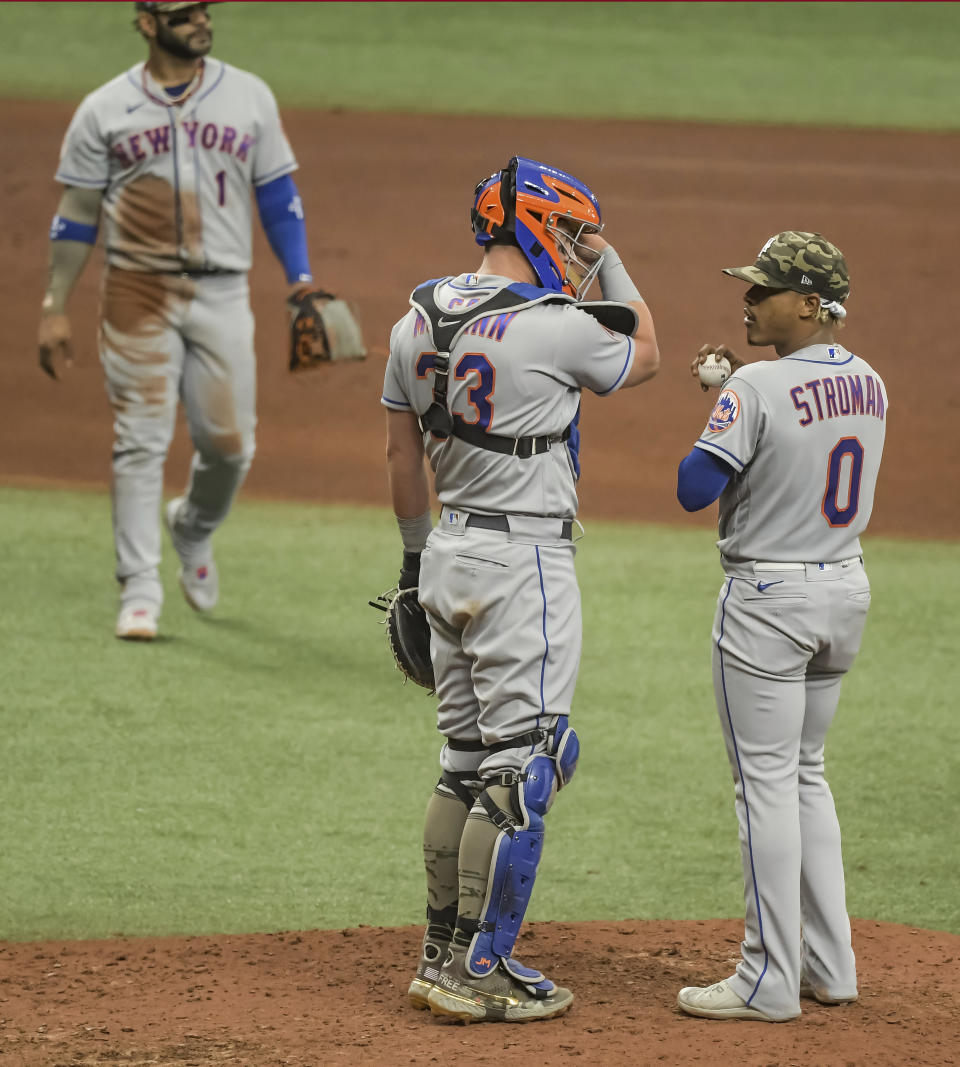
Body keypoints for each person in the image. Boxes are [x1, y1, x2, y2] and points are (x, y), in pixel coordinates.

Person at [382, 156, 660, 1023]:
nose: (578, 254)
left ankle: (438, 954)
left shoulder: (415, 317)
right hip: (524, 567)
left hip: (448, 553)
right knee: (527, 767)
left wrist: (411, 564)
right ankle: (481, 967)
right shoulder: (554, 324)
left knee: (463, 765)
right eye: (572, 234)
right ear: (538, 227)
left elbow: (400, 455)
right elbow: (647, 351)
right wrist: (612, 260)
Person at [37, 2, 324, 640]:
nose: (199, 19)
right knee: (140, 438)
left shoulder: (247, 95)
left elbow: (278, 196)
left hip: (223, 292)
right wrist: (55, 305)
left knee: (229, 446)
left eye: (203, 9)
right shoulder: (104, 109)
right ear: (145, 21)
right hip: (136, 290)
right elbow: (78, 212)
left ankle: (191, 528)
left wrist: (300, 277)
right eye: (182, 11)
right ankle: (138, 589)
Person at [675, 232, 887, 1022]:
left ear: (810, 303)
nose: (749, 299)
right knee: (805, 773)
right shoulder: (871, 383)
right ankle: (831, 965)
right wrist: (740, 391)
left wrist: (726, 400)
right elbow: (808, 438)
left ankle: (767, 975)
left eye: (765, 290)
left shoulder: (756, 388)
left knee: (763, 784)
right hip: (844, 589)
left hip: (769, 601)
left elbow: (694, 488)